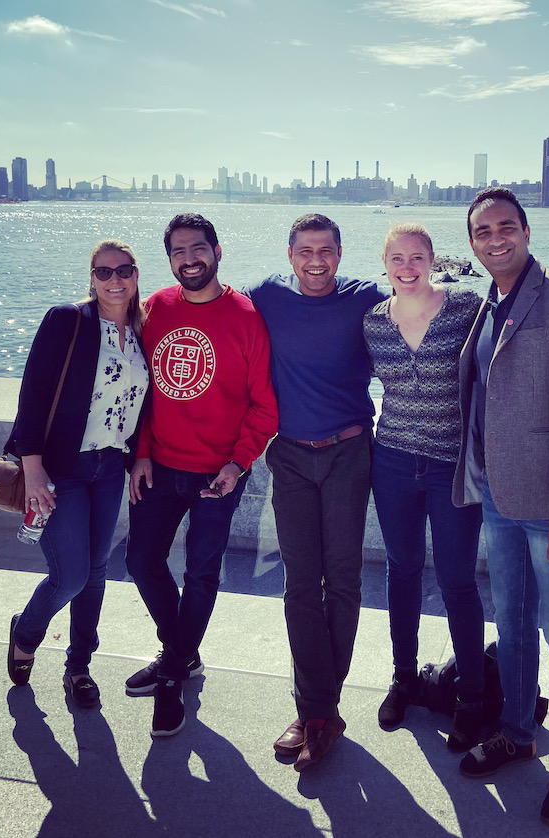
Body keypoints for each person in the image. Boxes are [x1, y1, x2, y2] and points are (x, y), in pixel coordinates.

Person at [452, 188, 549, 827]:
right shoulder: (486, 303)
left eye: (505, 227)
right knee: (512, 625)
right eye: (483, 231)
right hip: (497, 496)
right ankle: (518, 732)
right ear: (472, 243)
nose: (496, 239)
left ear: (525, 229)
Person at [125, 213, 277, 739]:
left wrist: (238, 464)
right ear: (169, 260)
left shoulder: (246, 317)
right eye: (178, 252)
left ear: (217, 251)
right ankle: (181, 653)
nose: (189, 259)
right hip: (159, 466)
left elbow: (264, 406)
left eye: (198, 248)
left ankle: (171, 676)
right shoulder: (156, 309)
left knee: (201, 574)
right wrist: (140, 454)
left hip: (218, 474)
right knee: (140, 560)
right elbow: (139, 391)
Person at [246, 214, 386, 771]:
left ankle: (317, 711)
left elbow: (421, 301)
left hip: (350, 452)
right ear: (289, 254)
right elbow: (209, 313)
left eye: (326, 250)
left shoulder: (365, 299)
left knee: (344, 578)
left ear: (340, 253)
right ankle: (318, 710)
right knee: (301, 584)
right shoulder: (265, 298)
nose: (316, 260)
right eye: (305, 250)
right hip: (291, 457)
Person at [6, 240, 149, 709]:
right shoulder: (67, 320)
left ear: (134, 275)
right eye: (104, 271)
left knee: (96, 571)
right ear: (91, 276)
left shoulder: (143, 328)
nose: (114, 280)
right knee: (68, 576)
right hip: (60, 467)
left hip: (110, 466)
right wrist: (32, 468)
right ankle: (26, 631)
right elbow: (32, 393)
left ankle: (79, 666)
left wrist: (141, 454)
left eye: (123, 270)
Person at [362, 222, 485, 751]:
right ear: (384, 262)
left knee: (457, 580)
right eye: (397, 258)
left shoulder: (466, 308)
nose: (407, 267)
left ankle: (474, 699)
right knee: (402, 570)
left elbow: (498, 370)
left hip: (450, 465)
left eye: (417, 257)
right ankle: (404, 677)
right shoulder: (372, 323)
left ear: (433, 260)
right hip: (390, 461)